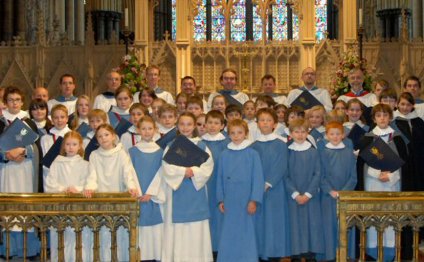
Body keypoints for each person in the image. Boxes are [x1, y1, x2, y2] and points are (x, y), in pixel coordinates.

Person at [356, 104, 409, 261]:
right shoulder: (368, 138)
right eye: (378, 115)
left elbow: (405, 163)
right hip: (373, 185)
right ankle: (373, 253)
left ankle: (391, 253)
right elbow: (361, 165)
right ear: (374, 118)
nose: (382, 118)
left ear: (390, 117)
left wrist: (391, 176)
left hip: (393, 185)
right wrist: (377, 174)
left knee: (391, 219)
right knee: (374, 219)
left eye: (385, 115)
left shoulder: (397, 138)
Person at [161, 112, 214, 262]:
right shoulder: (171, 145)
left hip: (196, 193)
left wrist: (194, 172)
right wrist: (183, 171)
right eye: (182, 124)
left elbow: (208, 166)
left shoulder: (202, 145)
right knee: (177, 230)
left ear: (195, 126)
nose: (185, 128)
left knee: (197, 230)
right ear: (177, 126)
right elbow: (166, 167)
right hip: (177, 193)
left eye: (189, 124)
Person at [83, 123, 140, 262]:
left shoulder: (121, 153)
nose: (103, 138)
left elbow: (127, 173)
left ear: (114, 136)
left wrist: (131, 187)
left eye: (106, 135)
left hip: (119, 198)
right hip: (101, 199)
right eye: (100, 136)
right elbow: (92, 174)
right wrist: (90, 187)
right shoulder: (94, 155)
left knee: (120, 233)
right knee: (104, 233)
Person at [0, 86, 41, 258]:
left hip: (25, 170)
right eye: (10, 100)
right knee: (8, 208)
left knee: (26, 208)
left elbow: (37, 149)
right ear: (5, 102)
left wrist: (24, 152)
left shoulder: (28, 122)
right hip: (6, 170)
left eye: (17, 100)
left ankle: (29, 250)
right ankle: (8, 249)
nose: (14, 103)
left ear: (22, 101)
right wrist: (6, 154)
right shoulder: (1, 122)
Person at [216, 119, 264, 262]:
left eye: (239, 133)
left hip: (246, 199)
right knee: (229, 231)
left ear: (246, 134)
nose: (236, 136)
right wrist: (220, 199)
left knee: (246, 230)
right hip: (230, 199)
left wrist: (254, 200)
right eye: (232, 133)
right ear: (228, 134)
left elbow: (258, 179)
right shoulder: (224, 154)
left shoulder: (252, 154)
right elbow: (220, 178)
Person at [250, 108, 291, 261]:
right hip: (258, 190)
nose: (265, 123)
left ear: (274, 123)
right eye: (262, 120)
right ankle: (262, 252)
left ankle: (276, 252)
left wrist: (268, 183)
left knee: (275, 221)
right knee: (261, 221)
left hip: (275, 189)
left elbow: (281, 165)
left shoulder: (281, 144)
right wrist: (257, 185)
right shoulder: (253, 146)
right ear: (257, 124)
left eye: (268, 120)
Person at [45, 131, 92, 262]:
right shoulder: (56, 163)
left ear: (80, 146)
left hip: (79, 206)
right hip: (61, 204)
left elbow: (89, 181)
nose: (71, 147)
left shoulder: (85, 164)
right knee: (61, 234)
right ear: (63, 146)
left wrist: (78, 189)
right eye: (68, 144)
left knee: (79, 234)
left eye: (74, 144)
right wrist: (63, 189)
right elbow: (50, 182)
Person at [284, 118, 324, 261]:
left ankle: (310, 254)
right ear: (291, 133)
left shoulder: (313, 151)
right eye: (296, 132)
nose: (300, 135)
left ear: (308, 132)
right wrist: (295, 194)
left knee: (311, 225)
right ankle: (296, 254)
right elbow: (285, 174)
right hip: (293, 197)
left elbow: (317, 173)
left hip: (310, 196)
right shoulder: (287, 151)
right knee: (295, 225)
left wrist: (307, 194)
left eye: (303, 131)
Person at [128, 116, 165, 262]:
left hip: (154, 197)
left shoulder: (160, 151)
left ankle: (157, 256)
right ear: (138, 130)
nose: (147, 132)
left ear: (155, 130)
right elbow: (129, 173)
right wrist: (138, 192)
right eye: (143, 128)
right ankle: (141, 256)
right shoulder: (132, 151)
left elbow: (162, 173)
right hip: (138, 195)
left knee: (156, 228)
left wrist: (151, 192)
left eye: (150, 128)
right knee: (140, 226)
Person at [319, 121, 357, 261]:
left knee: (345, 226)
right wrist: (330, 191)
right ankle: (329, 255)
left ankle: (346, 255)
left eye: (338, 134)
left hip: (345, 196)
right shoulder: (323, 152)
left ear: (343, 135)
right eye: (332, 134)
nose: (335, 137)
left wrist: (344, 192)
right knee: (328, 225)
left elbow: (353, 176)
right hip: (328, 196)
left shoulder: (349, 152)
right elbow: (320, 174)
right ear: (327, 135)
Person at [201, 110, 229, 255]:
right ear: (205, 124)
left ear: (222, 125)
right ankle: (206, 249)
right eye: (210, 122)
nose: (212, 126)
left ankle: (220, 249)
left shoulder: (227, 143)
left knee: (220, 217)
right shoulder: (200, 142)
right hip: (204, 185)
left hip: (221, 185)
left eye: (216, 123)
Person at [40, 105, 72, 189]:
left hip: (68, 173)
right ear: (51, 120)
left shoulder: (73, 136)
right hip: (50, 175)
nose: (59, 120)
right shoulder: (45, 138)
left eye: (62, 117)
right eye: (56, 117)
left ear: (67, 118)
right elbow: (44, 160)